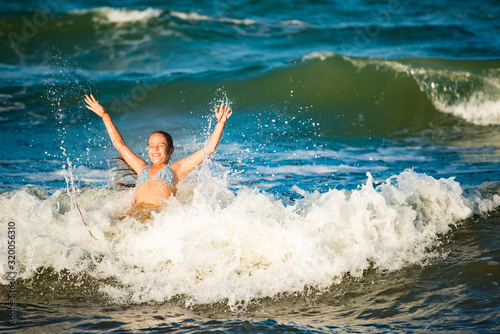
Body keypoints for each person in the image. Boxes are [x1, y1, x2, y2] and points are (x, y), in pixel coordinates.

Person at [84, 94, 232, 212]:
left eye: (161, 145)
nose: (155, 149)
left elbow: (208, 150)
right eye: (151, 145)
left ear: (170, 150)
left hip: (158, 219)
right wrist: (104, 115)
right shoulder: (141, 167)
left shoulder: (176, 169)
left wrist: (221, 123)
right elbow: (120, 146)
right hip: (136, 216)